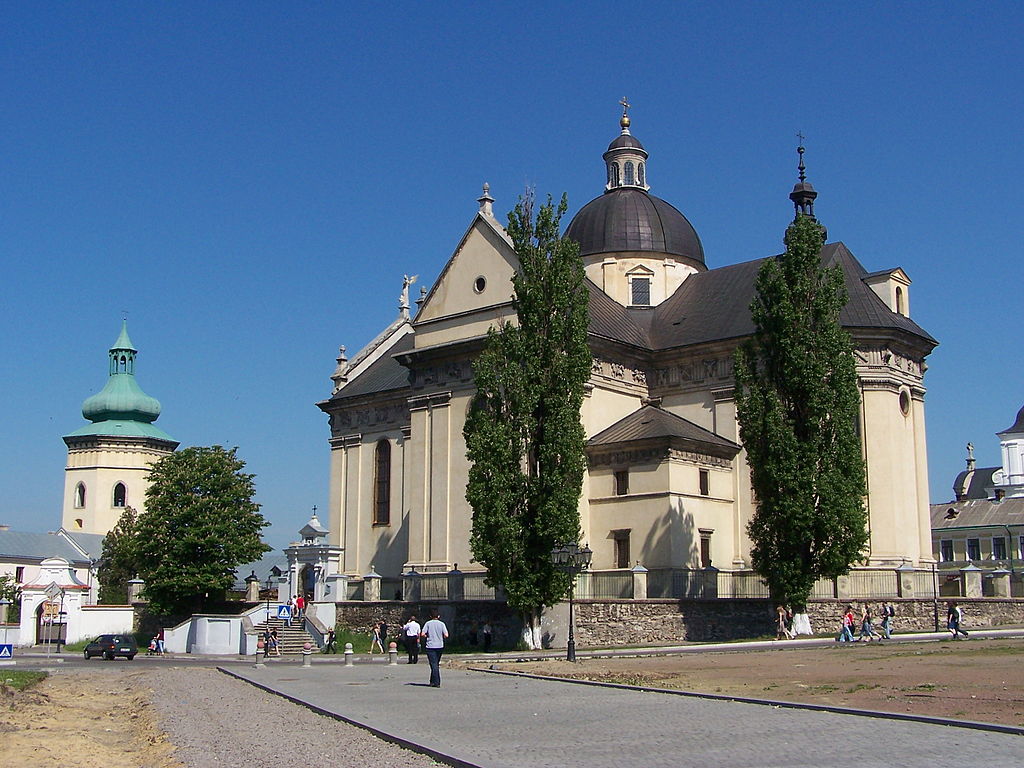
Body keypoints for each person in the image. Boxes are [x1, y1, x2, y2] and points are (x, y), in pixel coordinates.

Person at [421, 610, 449, 687]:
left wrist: (427, 636)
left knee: (433, 664)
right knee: (436, 663)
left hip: (430, 646)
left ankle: (437, 682)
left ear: (430, 616)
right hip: (440, 645)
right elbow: (446, 635)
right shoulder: (442, 624)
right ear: (438, 616)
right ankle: (432, 681)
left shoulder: (428, 623)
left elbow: (422, 634)